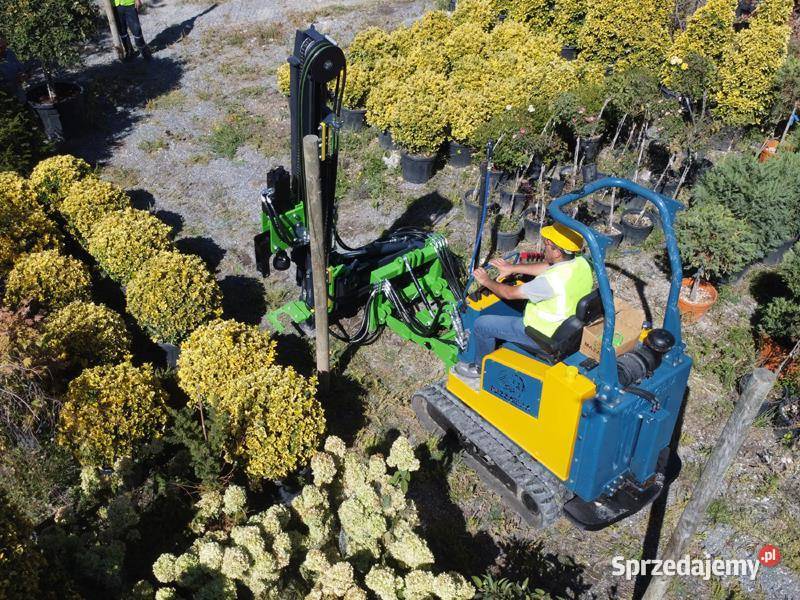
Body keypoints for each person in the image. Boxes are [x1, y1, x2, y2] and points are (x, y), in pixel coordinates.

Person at [455, 223, 593, 379]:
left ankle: (480, 369)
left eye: (547, 244)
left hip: (540, 335)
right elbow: (547, 267)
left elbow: (509, 293)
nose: (543, 247)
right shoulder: (581, 264)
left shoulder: (549, 283)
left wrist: (486, 281)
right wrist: (512, 268)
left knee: (482, 324)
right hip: (567, 329)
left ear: (557, 252)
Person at [0, 35, 27, 103]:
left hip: (18, 90)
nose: (4, 49)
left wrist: (22, 74)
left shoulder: (9, 52)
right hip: (5, 96)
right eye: (1, 47)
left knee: (24, 104)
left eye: (5, 46)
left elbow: (19, 66)